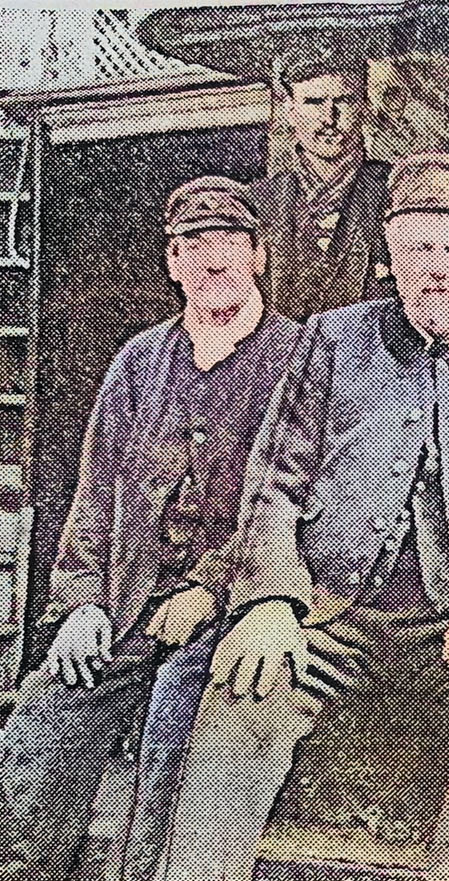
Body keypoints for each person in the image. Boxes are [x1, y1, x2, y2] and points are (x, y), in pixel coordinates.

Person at [156, 153, 449, 881]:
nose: (437, 270)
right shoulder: (330, 341)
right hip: (331, 612)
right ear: (389, 256)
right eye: (418, 249)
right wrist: (268, 601)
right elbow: (273, 485)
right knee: (240, 691)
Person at [0, 177, 300, 880]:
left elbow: (291, 499)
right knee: (46, 718)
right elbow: (96, 493)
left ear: (257, 255)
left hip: (232, 610)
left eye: (229, 242)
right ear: (171, 262)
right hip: (129, 604)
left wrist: (209, 587)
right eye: (194, 245)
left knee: (176, 729)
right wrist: (80, 603)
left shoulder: (296, 358)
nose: (213, 260)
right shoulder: (138, 363)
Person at [253, 47, 391, 320]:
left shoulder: (395, 190)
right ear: (290, 110)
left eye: (344, 101)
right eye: (314, 102)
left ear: (364, 106)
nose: (329, 118)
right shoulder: (258, 202)